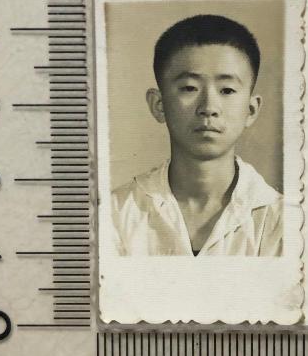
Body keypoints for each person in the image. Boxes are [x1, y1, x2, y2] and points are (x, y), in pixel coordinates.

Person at [111, 14, 282, 256]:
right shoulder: (114, 214)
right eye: (189, 88)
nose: (209, 107)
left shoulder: (282, 221)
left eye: (227, 90)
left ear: (251, 110)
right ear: (159, 105)